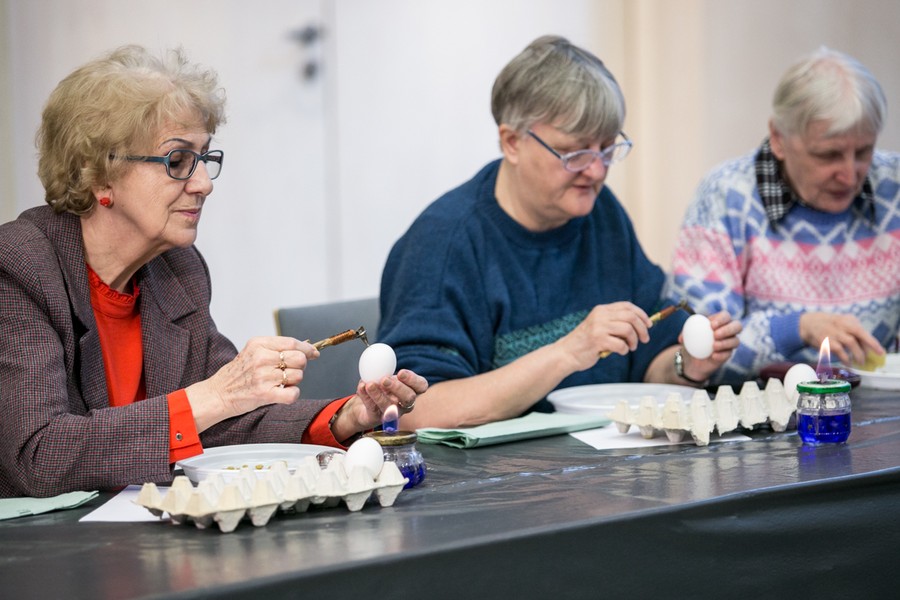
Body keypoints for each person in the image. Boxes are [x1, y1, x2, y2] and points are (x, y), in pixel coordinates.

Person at [0, 45, 427, 498]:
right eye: (177, 162)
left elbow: (223, 423)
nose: (203, 183)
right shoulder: (20, 267)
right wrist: (215, 396)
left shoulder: (175, 269)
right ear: (100, 176)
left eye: (205, 159)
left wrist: (346, 418)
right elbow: (40, 455)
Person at [377, 35, 741, 429]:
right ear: (512, 142)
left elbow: (648, 364)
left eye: (606, 149)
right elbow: (414, 411)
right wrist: (568, 352)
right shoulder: (444, 245)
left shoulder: (601, 214)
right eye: (575, 153)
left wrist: (687, 365)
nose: (597, 170)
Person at [667, 47, 900, 385]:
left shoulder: (893, 183)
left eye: (863, 151)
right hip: (764, 422)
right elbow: (699, 356)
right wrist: (795, 328)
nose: (850, 175)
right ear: (779, 138)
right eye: (828, 155)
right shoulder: (725, 196)